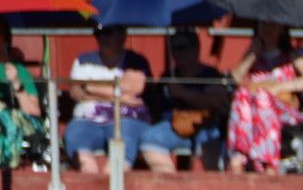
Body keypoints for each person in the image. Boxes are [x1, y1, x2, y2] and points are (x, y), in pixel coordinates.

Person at [225, 20, 303, 174]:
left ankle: (267, 160)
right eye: (264, 25)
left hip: (283, 109)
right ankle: (239, 155)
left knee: (263, 97)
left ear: (281, 28)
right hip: (253, 110)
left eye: (272, 25)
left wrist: (277, 87)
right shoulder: (253, 55)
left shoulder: (291, 56)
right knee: (241, 95)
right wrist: (252, 55)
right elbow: (236, 78)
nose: (267, 29)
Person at [139, 29, 231, 174]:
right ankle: (170, 183)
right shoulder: (168, 76)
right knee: (149, 139)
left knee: (210, 148)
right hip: (173, 127)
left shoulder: (210, 75)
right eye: (173, 48)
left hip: (205, 128)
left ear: (196, 48)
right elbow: (156, 107)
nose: (177, 53)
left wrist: (182, 93)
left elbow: (216, 101)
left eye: (182, 48)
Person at [64, 24, 154, 174]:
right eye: (98, 33)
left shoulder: (136, 61)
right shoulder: (83, 60)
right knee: (80, 151)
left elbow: (135, 88)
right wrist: (120, 97)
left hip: (125, 119)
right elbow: (76, 92)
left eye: (108, 33)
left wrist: (89, 86)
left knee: (118, 158)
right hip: (86, 120)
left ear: (123, 35)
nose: (102, 38)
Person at [0, 20, 47, 170]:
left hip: (18, 125)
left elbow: (34, 112)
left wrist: (16, 84)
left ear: (5, 39)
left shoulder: (19, 71)